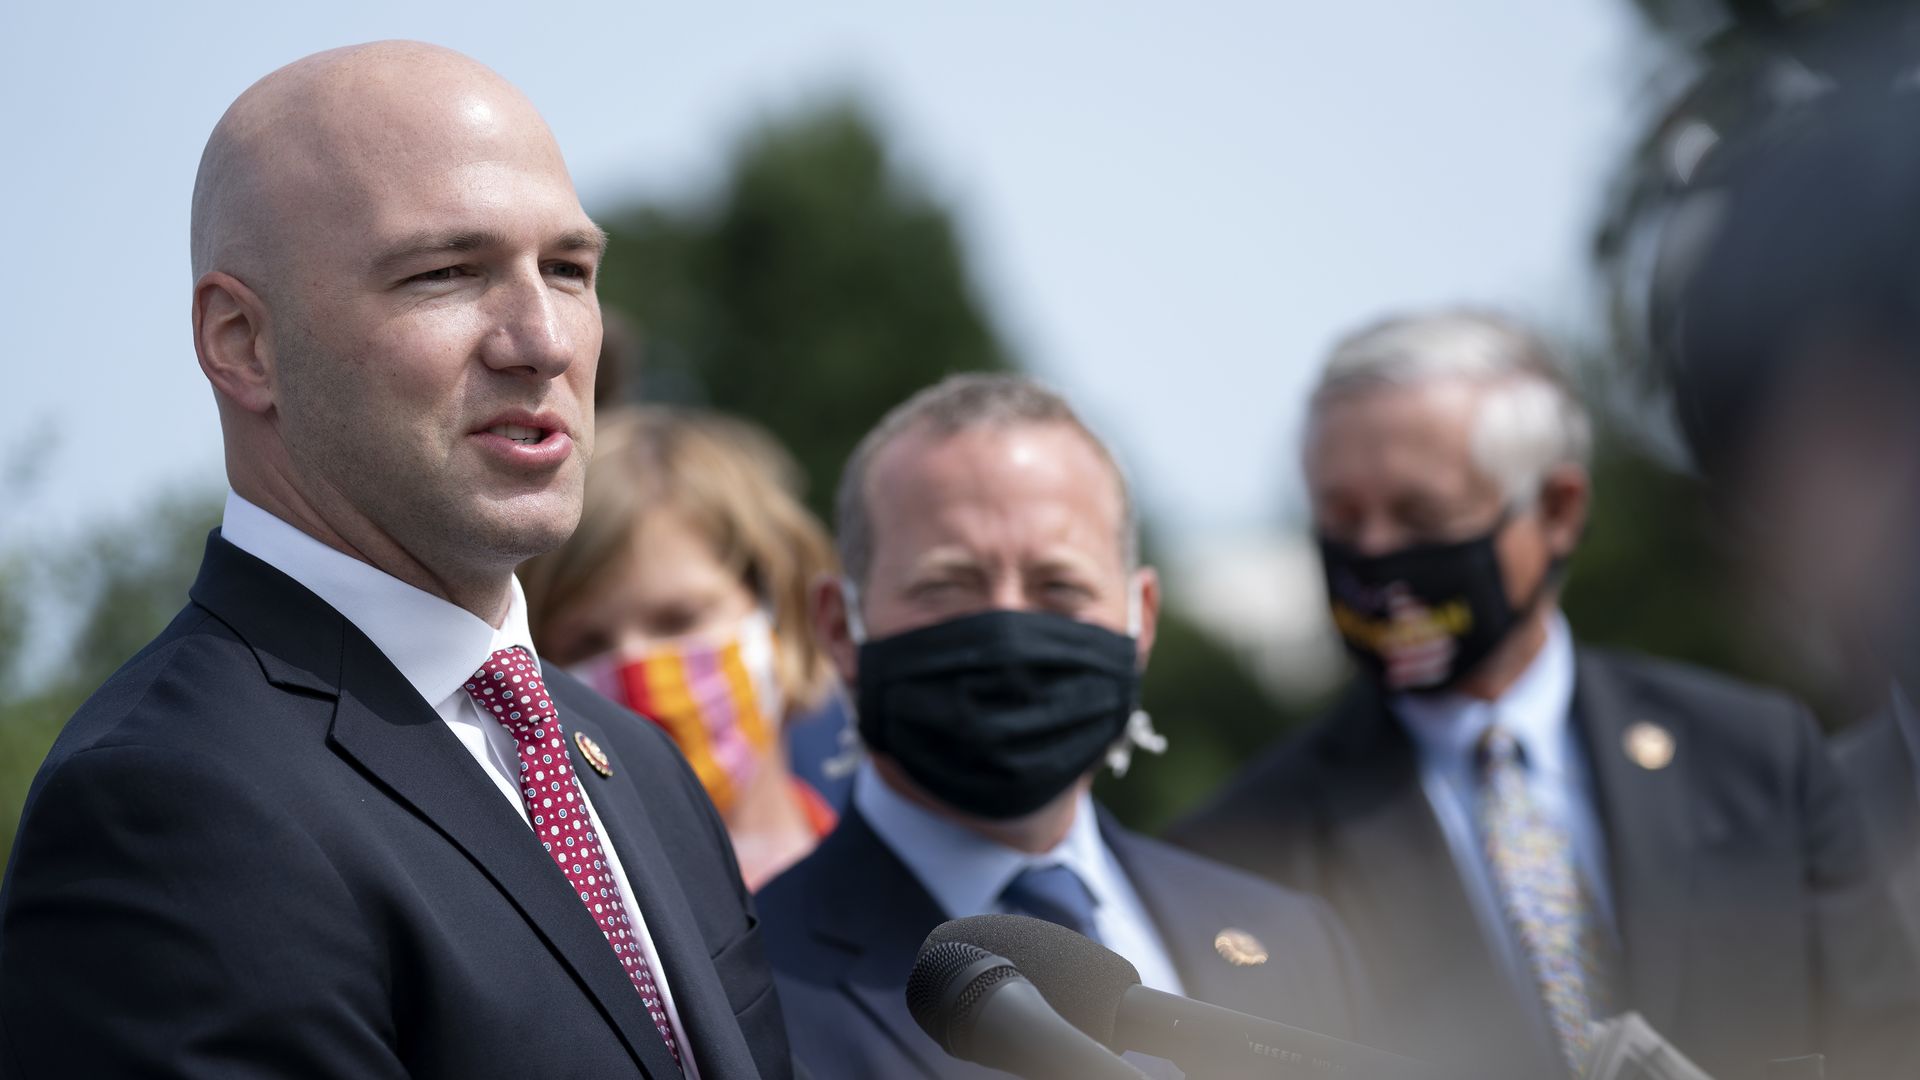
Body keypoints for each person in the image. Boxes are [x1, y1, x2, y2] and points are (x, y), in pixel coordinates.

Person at [0, 42, 791, 1079]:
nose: (542, 339)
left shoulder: (633, 764)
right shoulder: (169, 802)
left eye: (569, 270)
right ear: (242, 342)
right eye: (447, 274)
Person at [1167, 310, 1920, 1080]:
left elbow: (1888, 1048)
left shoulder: (1759, 760)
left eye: (1420, 514)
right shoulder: (1240, 855)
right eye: (1341, 518)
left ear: (1557, 511)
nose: (1374, 554)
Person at [757, 373, 1371, 1080]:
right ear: (839, 627)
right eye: (947, 586)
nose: (1010, 631)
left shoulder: (1291, 939)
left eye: (1060, 587)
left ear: (1141, 618)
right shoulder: (747, 984)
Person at [522, 405, 847, 890]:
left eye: (678, 620)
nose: (635, 665)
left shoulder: (892, 891)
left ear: (780, 607)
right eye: (586, 644)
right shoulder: (560, 911)